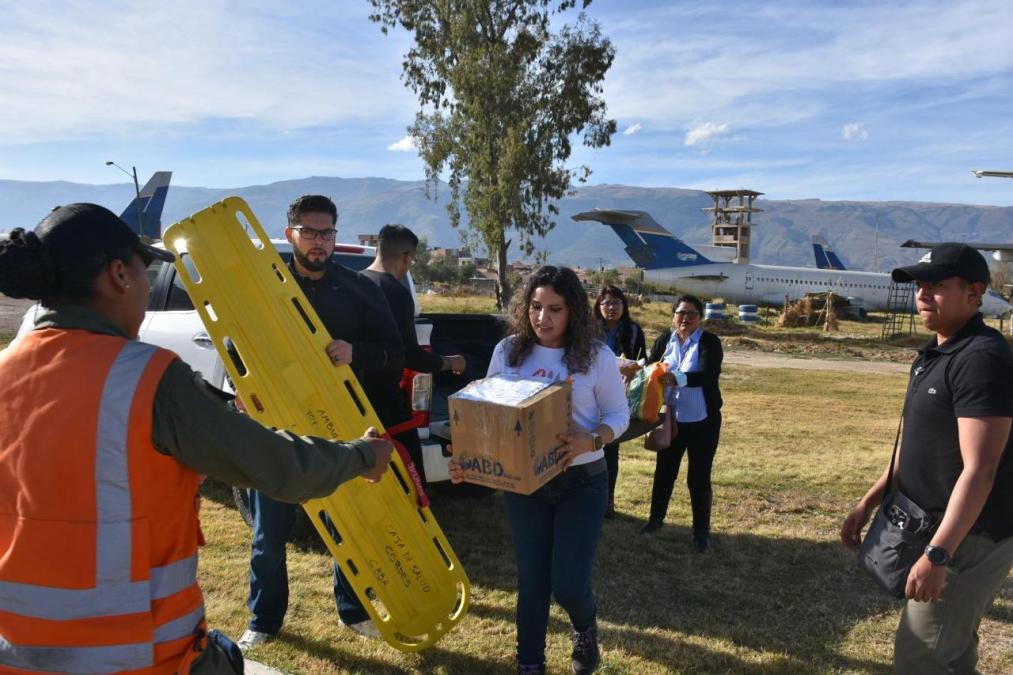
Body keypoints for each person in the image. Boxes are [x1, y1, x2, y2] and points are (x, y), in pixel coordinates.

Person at [0, 204, 394, 674]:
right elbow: (278, 467)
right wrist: (361, 456)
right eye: (146, 273)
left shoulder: (6, 371)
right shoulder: (145, 379)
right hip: (138, 658)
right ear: (119, 275)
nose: (148, 289)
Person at [240, 195, 404, 650]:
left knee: (348, 526)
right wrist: (243, 389)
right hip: (275, 428)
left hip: (340, 426)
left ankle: (353, 611)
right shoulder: (264, 287)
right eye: (309, 232)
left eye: (327, 232)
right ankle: (263, 621)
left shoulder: (361, 289)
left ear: (336, 235)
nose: (319, 242)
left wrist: (358, 353)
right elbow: (237, 347)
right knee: (268, 533)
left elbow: (395, 354)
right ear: (289, 233)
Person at [840, 243, 1012, 674]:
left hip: (971, 538)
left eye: (936, 285)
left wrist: (939, 555)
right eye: (919, 284)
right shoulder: (936, 353)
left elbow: (981, 468)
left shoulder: (981, 359)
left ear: (975, 293)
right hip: (934, 527)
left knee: (920, 656)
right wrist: (871, 499)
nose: (922, 294)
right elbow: (917, 444)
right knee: (950, 653)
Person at [449, 266, 629, 675]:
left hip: (582, 482)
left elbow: (620, 413)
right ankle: (530, 663)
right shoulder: (508, 351)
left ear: (573, 312)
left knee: (567, 583)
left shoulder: (596, 356)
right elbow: (487, 415)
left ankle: (585, 626)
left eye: (554, 309)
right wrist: (469, 462)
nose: (542, 318)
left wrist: (592, 440)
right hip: (525, 485)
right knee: (532, 583)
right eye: (534, 307)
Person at [363, 223, 466, 484]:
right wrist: (450, 362)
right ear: (407, 257)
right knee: (411, 476)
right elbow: (411, 356)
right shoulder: (396, 292)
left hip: (352, 399)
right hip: (386, 403)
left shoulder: (355, 283)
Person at [639, 295, 724, 554]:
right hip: (670, 419)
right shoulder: (665, 340)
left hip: (702, 421)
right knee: (664, 471)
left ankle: (701, 534)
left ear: (700, 318)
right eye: (681, 313)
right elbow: (652, 366)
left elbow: (707, 375)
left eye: (691, 314)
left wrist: (674, 378)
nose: (685, 318)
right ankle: (655, 521)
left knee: (698, 477)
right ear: (673, 315)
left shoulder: (709, 342)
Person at [592, 285, 646, 519]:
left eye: (615, 303)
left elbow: (645, 360)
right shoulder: (589, 329)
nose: (611, 308)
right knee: (589, 448)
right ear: (598, 306)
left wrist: (634, 367)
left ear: (624, 306)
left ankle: (607, 502)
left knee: (611, 449)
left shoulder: (633, 330)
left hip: (619, 395)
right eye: (606, 303)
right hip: (590, 395)